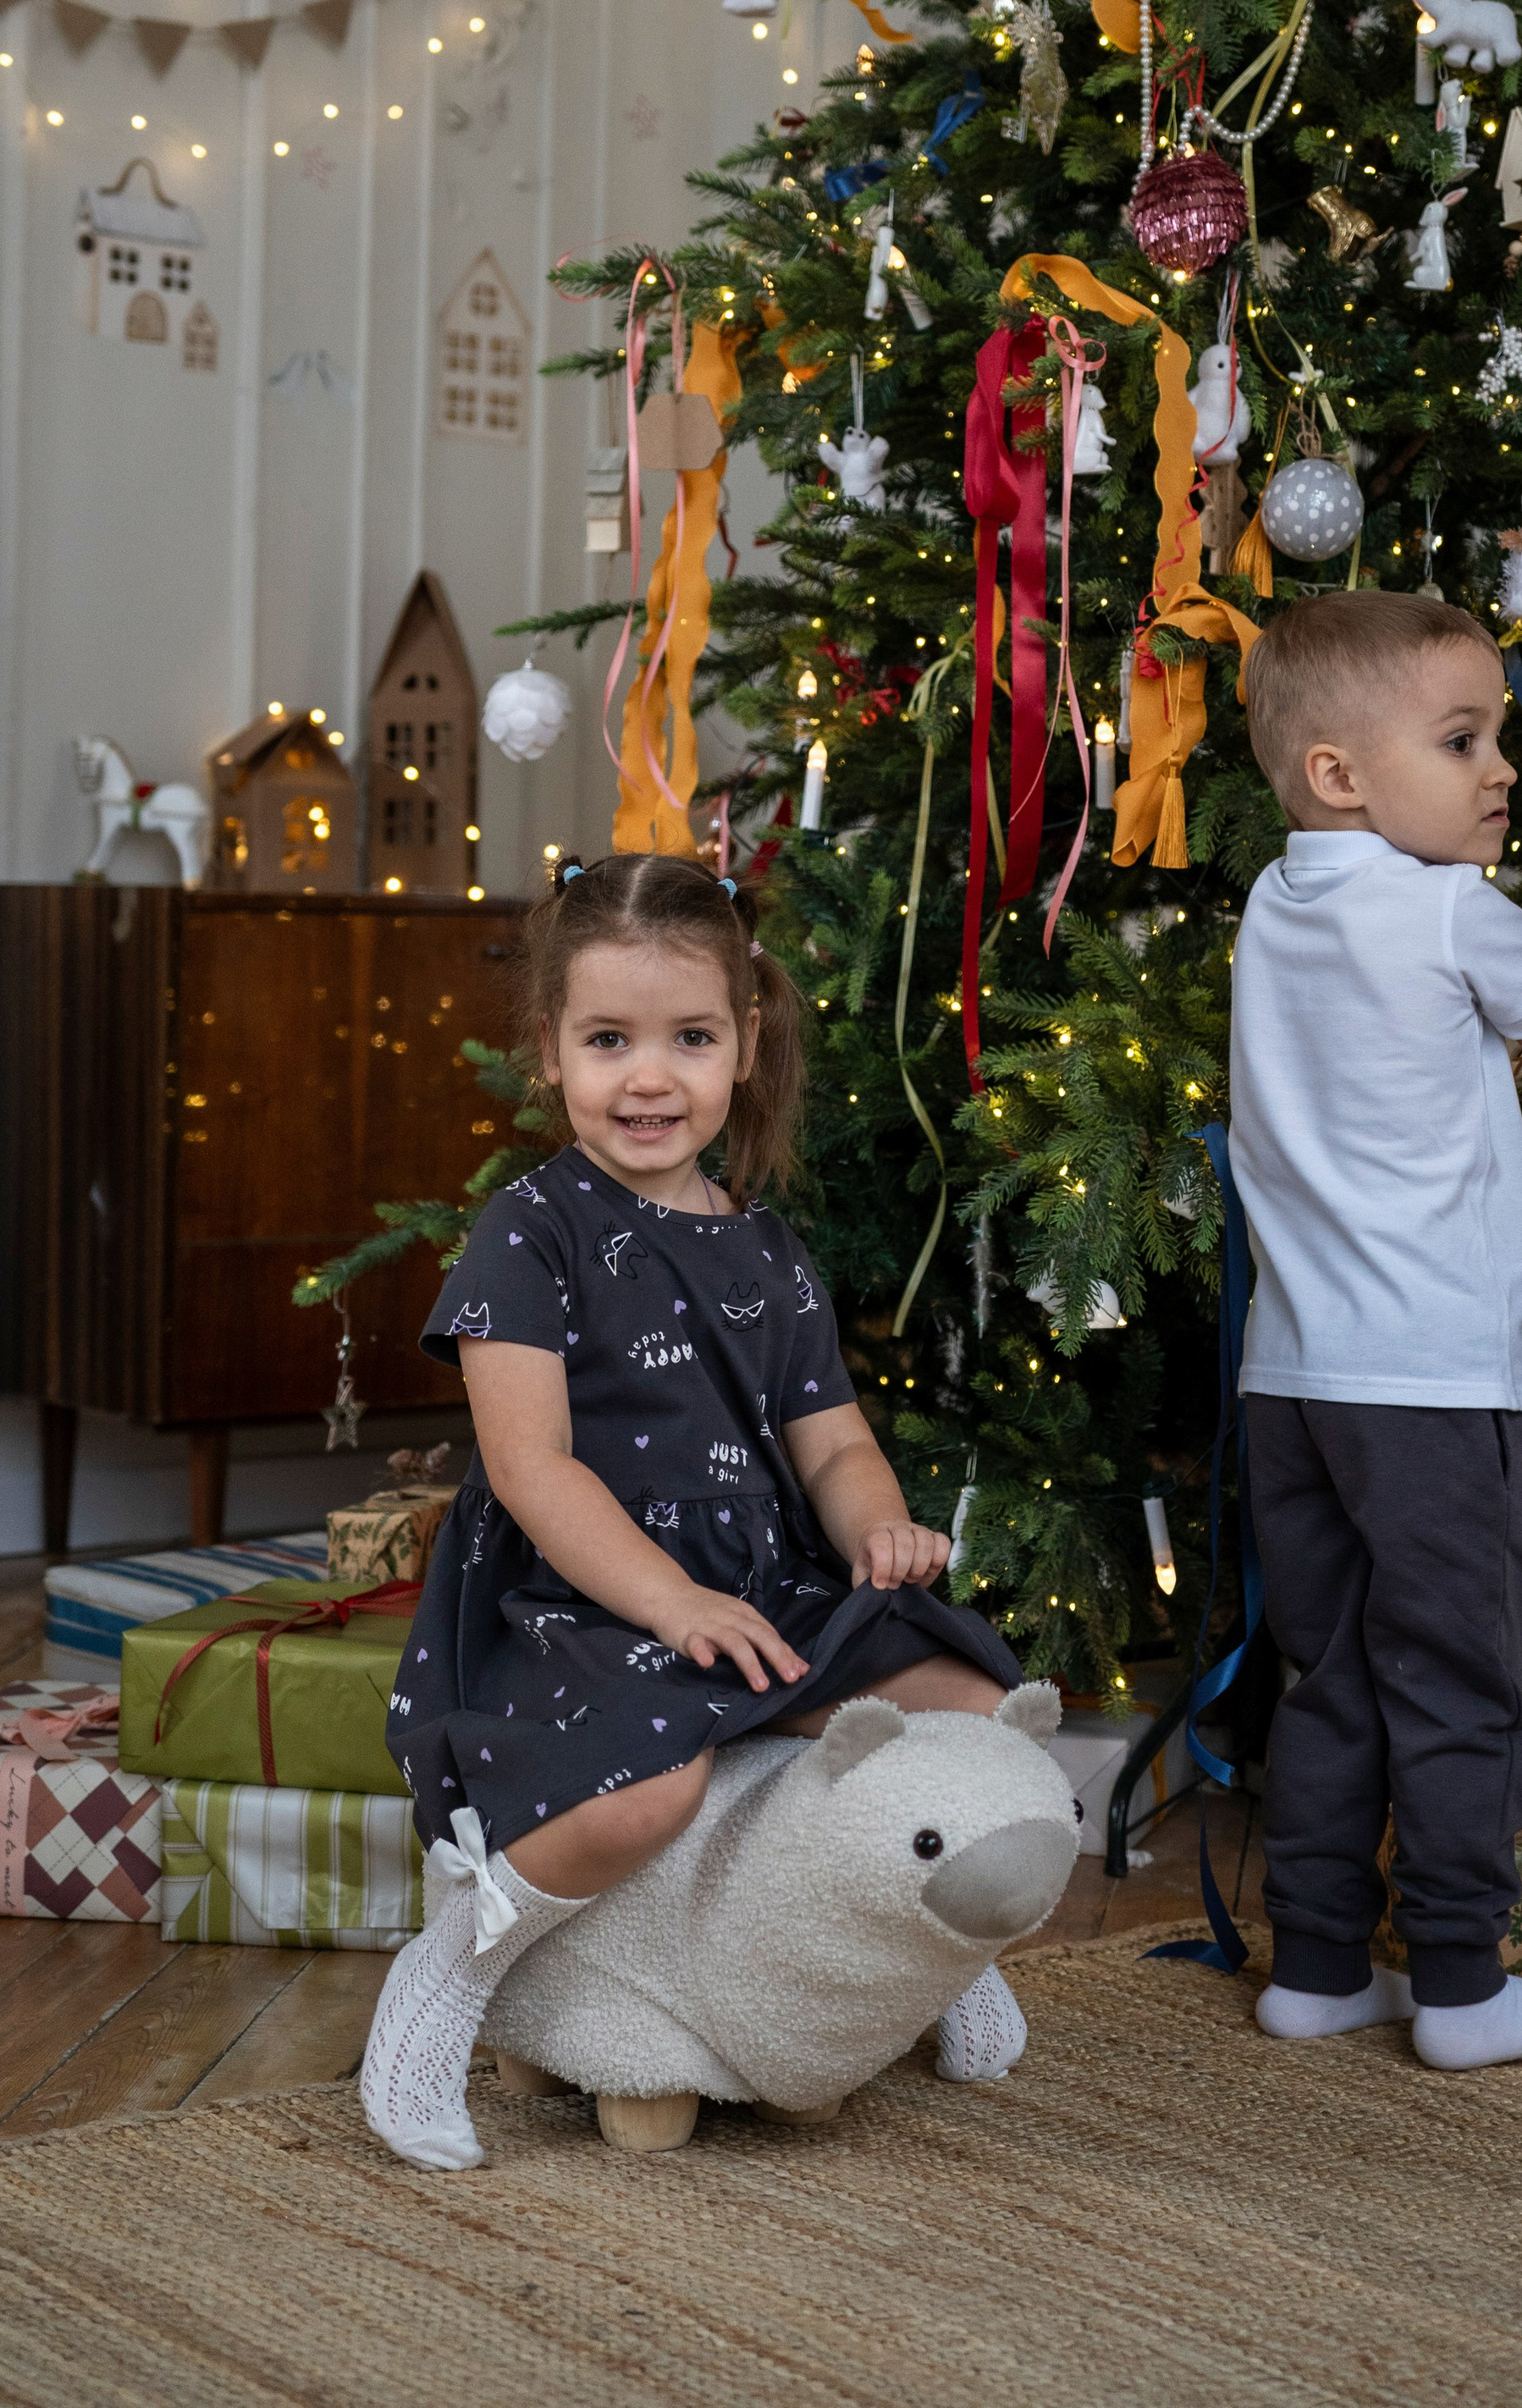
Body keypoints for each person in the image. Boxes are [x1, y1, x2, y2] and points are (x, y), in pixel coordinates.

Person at [360, 850, 1028, 2168]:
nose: (649, 1077)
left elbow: (831, 1443)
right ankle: (453, 1972)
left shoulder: (767, 1249)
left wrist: (876, 1528)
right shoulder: (529, 1233)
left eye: (690, 1038)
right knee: (641, 1798)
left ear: (745, 1041)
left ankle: (923, 1952)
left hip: (763, 1577)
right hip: (586, 1596)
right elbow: (534, 1468)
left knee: (976, 1718)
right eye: (609, 1039)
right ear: (550, 1050)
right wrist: (668, 1600)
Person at [1227, 589, 1522, 2072]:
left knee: (1331, 1675)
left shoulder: (1277, 913)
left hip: (1293, 1383)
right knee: (1458, 1683)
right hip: (1434, 1391)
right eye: (1463, 740)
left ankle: (1322, 1966)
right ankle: (1466, 1987)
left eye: (1501, 741)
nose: (1499, 776)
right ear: (1341, 773)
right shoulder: (1452, 909)